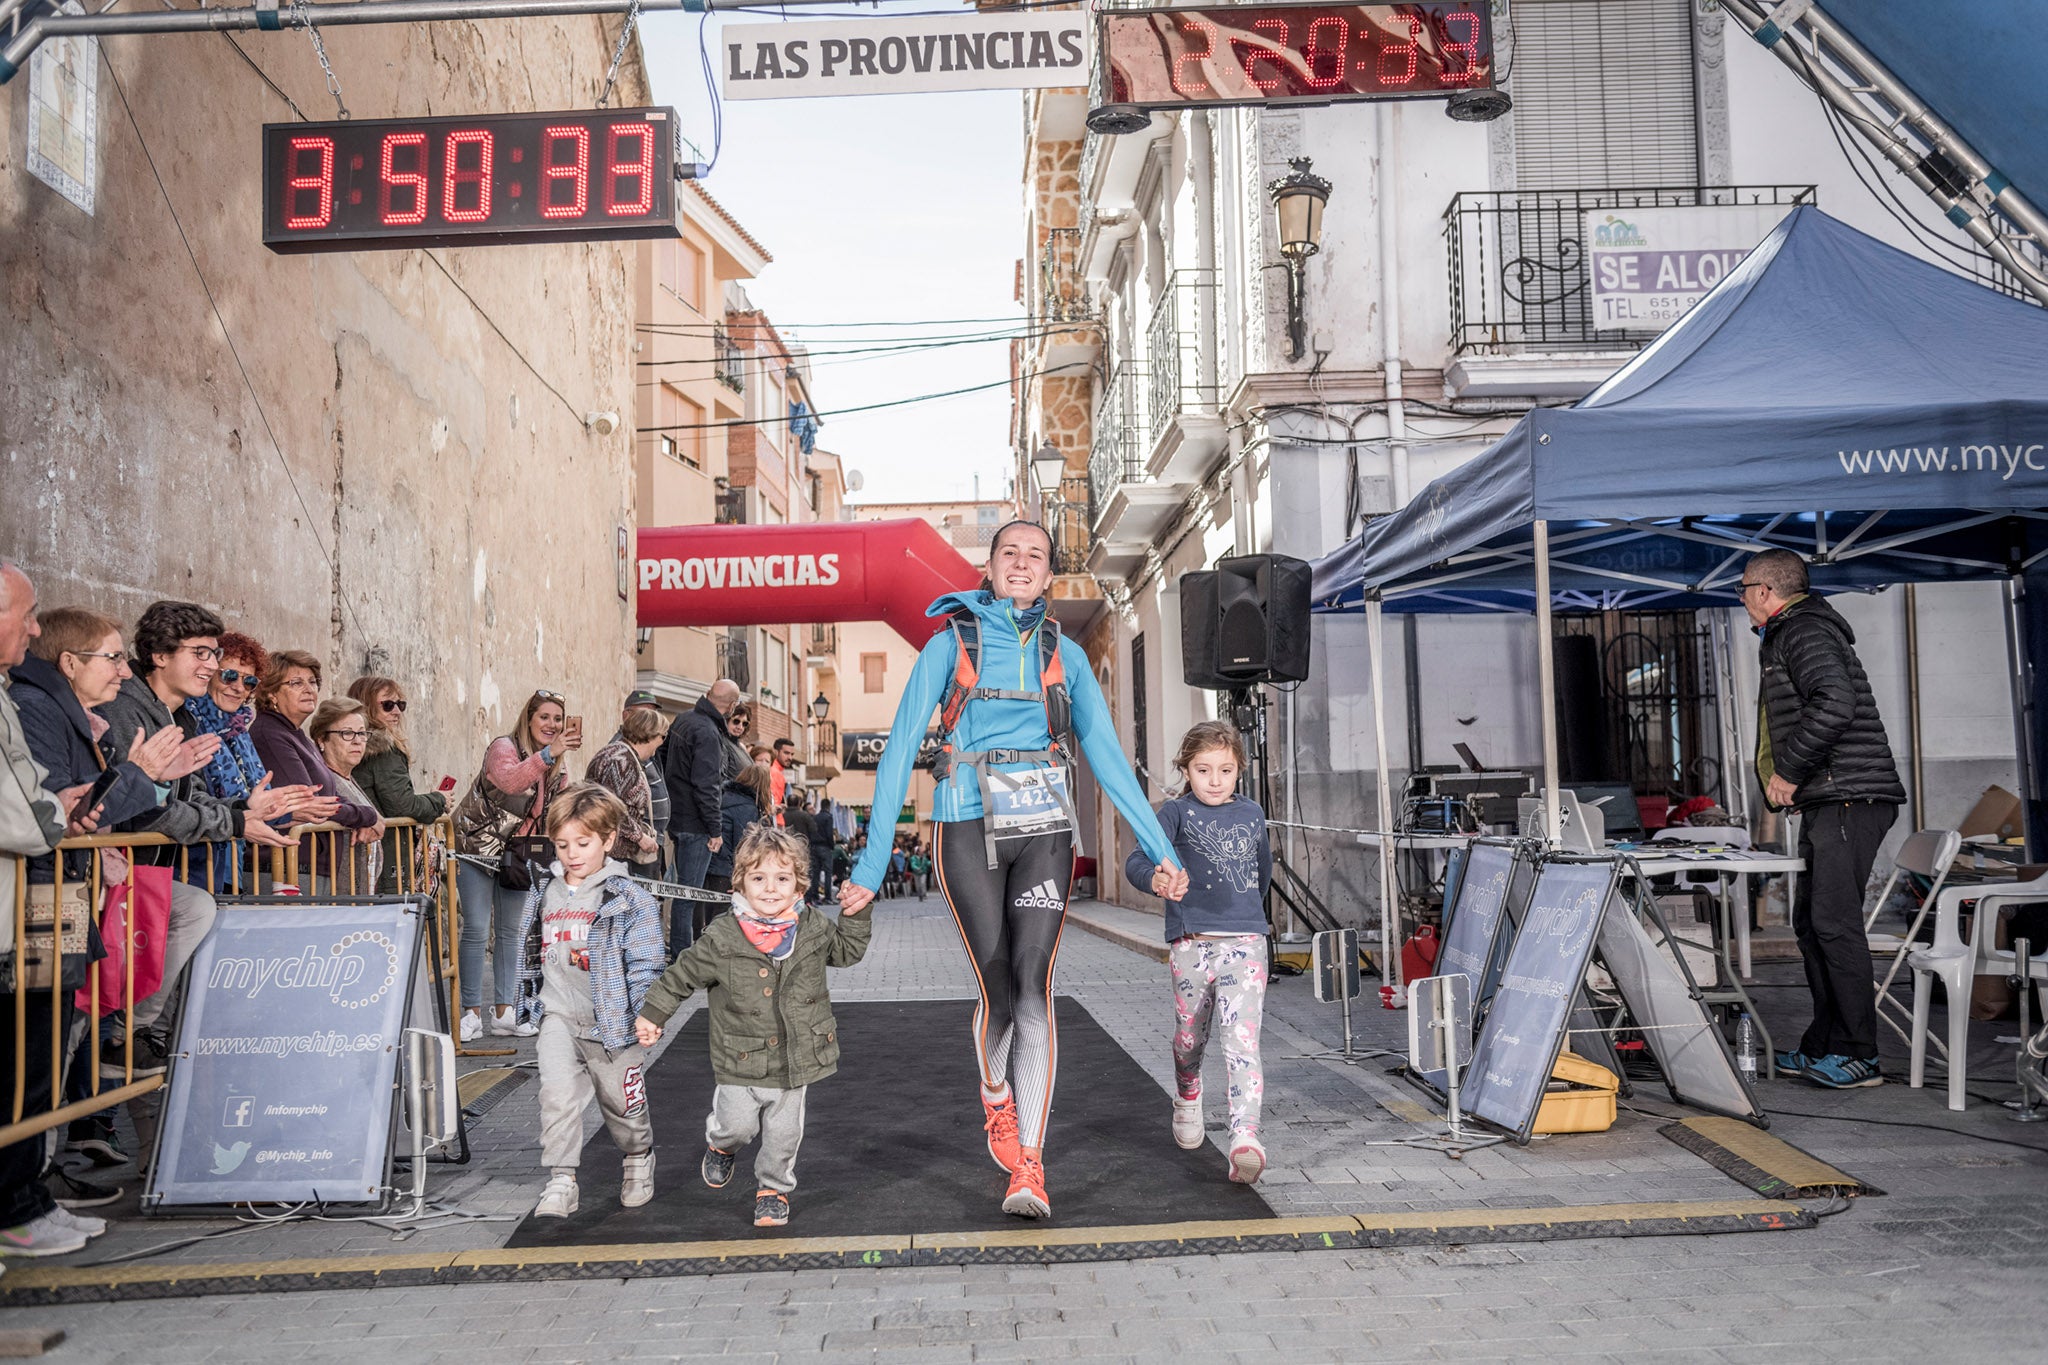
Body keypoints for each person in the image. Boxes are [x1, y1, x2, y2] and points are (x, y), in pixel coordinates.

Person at [839, 520, 1186, 1219]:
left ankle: (1029, 1160)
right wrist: (874, 865)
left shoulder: (1068, 656)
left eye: (1035, 556)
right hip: (966, 820)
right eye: (1010, 554)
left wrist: (1164, 852)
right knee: (996, 988)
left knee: (1034, 984)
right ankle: (994, 1091)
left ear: (1048, 576)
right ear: (989, 567)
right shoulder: (950, 644)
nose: (1022, 563)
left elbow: (1110, 761)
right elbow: (901, 746)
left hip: (1044, 826)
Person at [95, 601, 307, 1077]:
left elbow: (188, 797)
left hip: (145, 875)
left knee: (191, 914)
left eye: (215, 654)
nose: (213, 667)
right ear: (159, 655)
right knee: (71, 1030)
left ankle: (126, 1044)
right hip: (108, 874)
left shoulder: (174, 716)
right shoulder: (129, 712)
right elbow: (151, 806)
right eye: (201, 654)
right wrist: (235, 820)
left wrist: (241, 812)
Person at [636, 826, 872, 1229]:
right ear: (741, 882)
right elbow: (681, 975)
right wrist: (652, 1014)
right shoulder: (722, 936)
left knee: (783, 1134)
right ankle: (720, 1145)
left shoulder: (813, 928)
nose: (769, 889)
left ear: (799, 885)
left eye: (782, 878)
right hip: (738, 1057)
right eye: (758, 878)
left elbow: (847, 952)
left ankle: (772, 1189)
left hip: (795, 1056)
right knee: (738, 1126)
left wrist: (856, 912)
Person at [1742, 549, 1906, 1090]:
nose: (1741, 598)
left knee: (1834, 924)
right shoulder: (1792, 631)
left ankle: (1861, 1056)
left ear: (1765, 591)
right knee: (1812, 924)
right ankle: (1825, 1045)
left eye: (1743, 588)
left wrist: (1787, 771)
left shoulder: (1804, 628)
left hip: (1848, 794)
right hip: (1832, 795)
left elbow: (1834, 702)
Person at [0, 562, 100, 1257]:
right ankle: (18, 1198)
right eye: (112, 657)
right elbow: (31, 806)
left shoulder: (28, 689)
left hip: (50, 888)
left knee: (41, 1045)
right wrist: (65, 814)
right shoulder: (34, 692)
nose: (31, 627)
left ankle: (28, 1191)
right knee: (26, 1051)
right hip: (37, 890)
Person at [1125, 720, 1272, 1184]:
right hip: (1192, 943)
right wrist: (1158, 880)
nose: (1214, 780)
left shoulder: (1252, 814)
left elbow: (1262, 871)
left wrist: (1247, 917)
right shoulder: (1174, 814)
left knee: (1241, 1041)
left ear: (1239, 771)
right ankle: (1188, 1090)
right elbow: (1136, 861)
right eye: (1203, 769)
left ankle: (1245, 1138)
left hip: (1246, 941)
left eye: (1225, 770)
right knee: (1189, 1036)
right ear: (1186, 769)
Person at [514, 785, 664, 1218]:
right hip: (558, 1014)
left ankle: (638, 1157)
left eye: (583, 843)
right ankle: (562, 1179)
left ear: (609, 839)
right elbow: (529, 948)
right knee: (556, 1095)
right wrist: (527, 1002)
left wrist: (646, 1012)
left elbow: (647, 960)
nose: (571, 854)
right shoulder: (545, 891)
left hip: (611, 1020)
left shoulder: (628, 897)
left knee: (622, 1103)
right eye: (562, 845)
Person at [452, 689, 581, 1042]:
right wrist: (548, 755)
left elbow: (555, 810)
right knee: (478, 930)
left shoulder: (557, 764)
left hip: (517, 855)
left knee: (511, 934)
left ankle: (505, 1012)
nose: (552, 725)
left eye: (558, 719)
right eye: (545, 717)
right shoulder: (503, 748)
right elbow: (510, 780)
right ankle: (470, 1013)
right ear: (529, 719)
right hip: (475, 847)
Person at [251, 650, 381, 889]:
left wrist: (364, 813)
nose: (309, 689)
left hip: (310, 864)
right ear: (271, 694)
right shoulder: (270, 734)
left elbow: (326, 795)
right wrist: (366, 816)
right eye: (296, 683)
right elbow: (310, 801)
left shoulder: (296, 735)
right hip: (285, 866)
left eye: (312, 682)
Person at [183, 630, 273, 891]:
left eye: (249, 681)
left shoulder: (239, 731)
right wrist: (241, 813)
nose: (238, 687)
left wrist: (292, 807)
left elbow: (257, 799)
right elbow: (190, 796)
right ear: (208, 673)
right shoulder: (189, 719)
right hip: (190, 865)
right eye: (229, 675)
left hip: (228, 865)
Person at [348, 675, 452, 894]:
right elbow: (403, 805)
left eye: (400, 704)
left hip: (370, 853)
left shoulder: (360, 748)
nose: (396, 711)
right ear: (366, 708)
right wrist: (439, 800)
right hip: (385, 854)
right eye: (387, 705)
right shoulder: (383, 751)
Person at [661, 679, 740, 944]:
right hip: (696, 825)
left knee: (681, 893)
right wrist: (715, 829)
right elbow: (707, 786)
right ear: (732, 706)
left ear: (707, 694)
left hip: (676, 818)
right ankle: (682, 958)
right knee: (688, 895)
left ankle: (679, 953)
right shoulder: (708, 732)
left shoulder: (683, 720)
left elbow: (662, 757)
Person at [309, 698, 383, 894]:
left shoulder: (350, 779)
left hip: (361, 892)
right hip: (335, 893)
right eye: (347, 733)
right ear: (321, 739)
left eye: (361, 733)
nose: (357, 740)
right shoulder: (324, 780)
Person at [585, 706, 667, 879]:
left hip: (611, 851)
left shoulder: (618, 754)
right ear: (650, 734)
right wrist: (640, 838)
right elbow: (611, 807)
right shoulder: (622, 761)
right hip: (611, 854)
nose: (662, 742)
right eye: (663, 736)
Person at [710, 762, 772, 898]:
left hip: (713, 861)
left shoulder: (726, 797)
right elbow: (743, 846)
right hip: (726, 869)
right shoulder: (747, 807)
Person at [809, 797, 838, 904]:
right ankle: (828, 896)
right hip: (825, 847)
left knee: (815, 873)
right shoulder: (828, 817)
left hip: (814, 847)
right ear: (828, 806)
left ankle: (815, 896)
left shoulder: (815, 817)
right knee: (828, 872)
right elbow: (829, 833)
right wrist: (832, 845)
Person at [768, 737, 796, 827]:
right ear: (776, 752)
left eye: (792, 754)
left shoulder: (776, 772)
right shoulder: (774, 772)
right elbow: (772, 801)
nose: (790, 757)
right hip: (775, 822)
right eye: (786, 753)